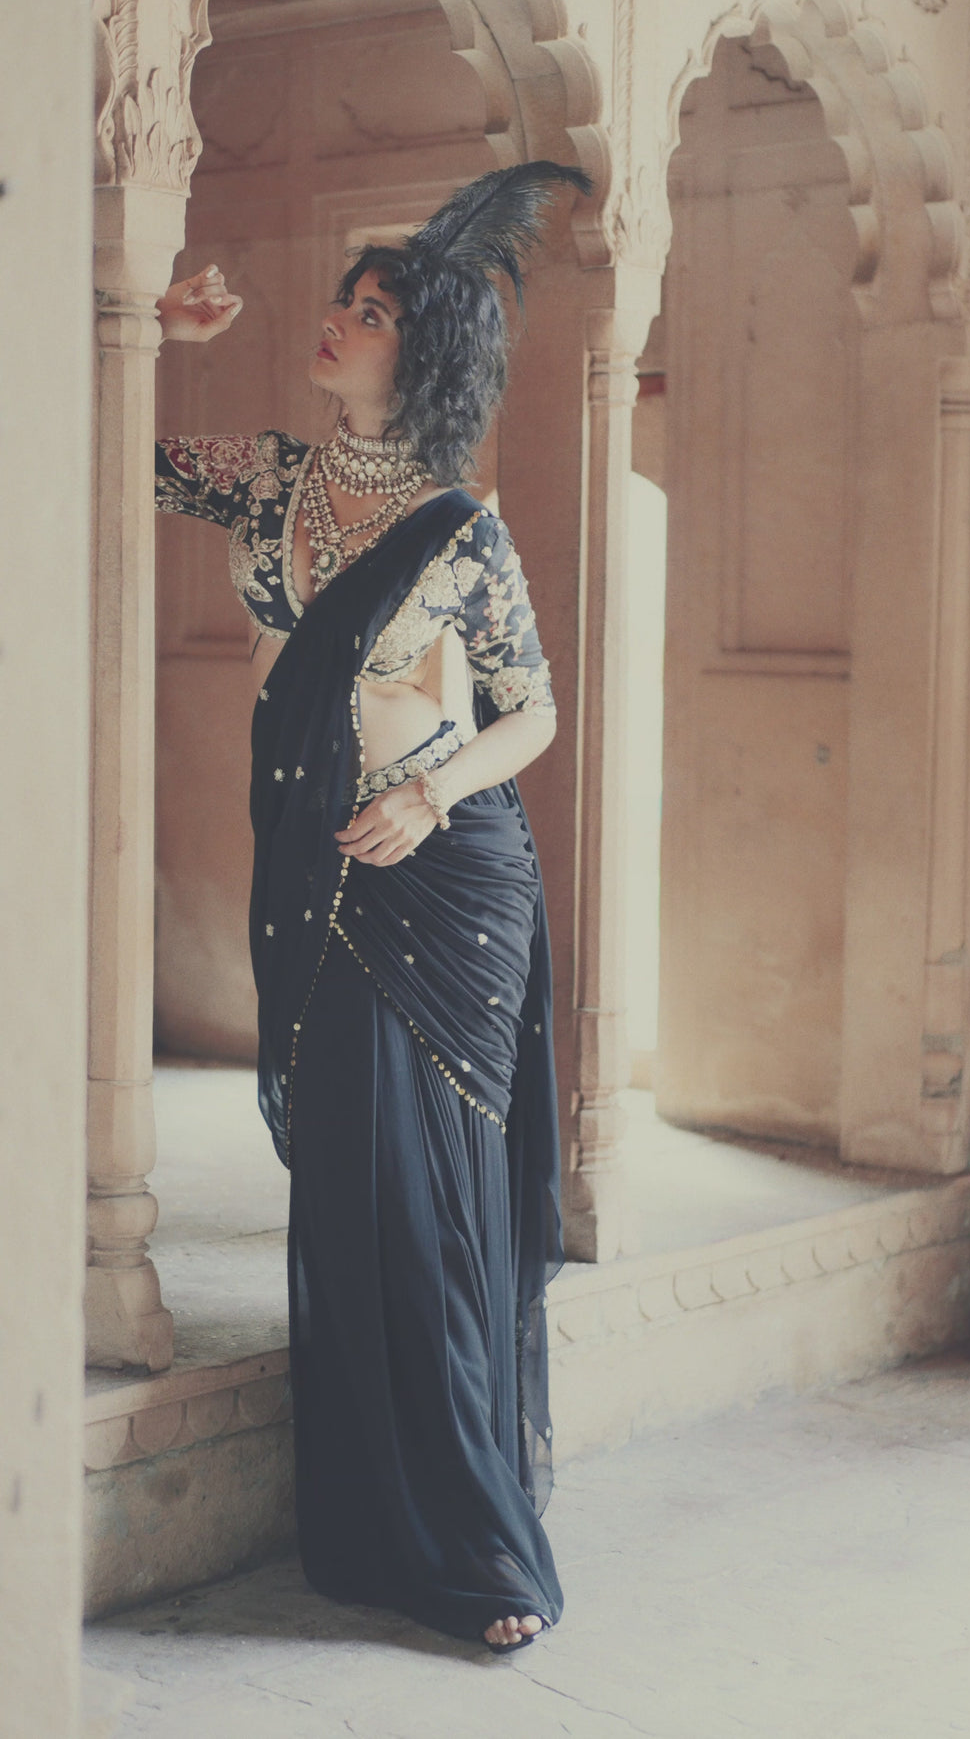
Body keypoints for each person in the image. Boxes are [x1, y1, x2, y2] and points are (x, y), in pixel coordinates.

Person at [153, 163, 589, 1652]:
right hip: (316, 876)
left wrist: (430, 795)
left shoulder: (465, 529)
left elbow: (532, 716)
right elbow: (105, 451)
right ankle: (368, 1529)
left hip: (442, 880)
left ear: (428, 349)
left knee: (431, 1223)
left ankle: (483, 1553)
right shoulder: (269, 475)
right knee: (346, 1199)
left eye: (371, 310)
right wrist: (147, 330)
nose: (336, 323)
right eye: (343, 302)